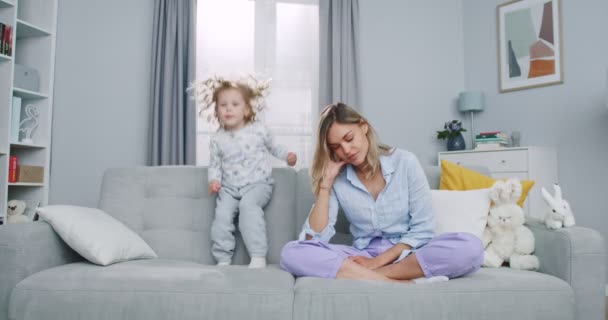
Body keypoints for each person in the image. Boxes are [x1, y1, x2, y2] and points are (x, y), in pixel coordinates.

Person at [280, 102, 483, 283]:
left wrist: (376, 264)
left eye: (349, 138)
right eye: (337, 147)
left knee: (470, 248)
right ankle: (400, 282)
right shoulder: (338, 178)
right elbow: (313, 241)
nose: (346, 149)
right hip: (361, 254)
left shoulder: (405, 162)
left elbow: (423, 229)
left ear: (363, 125)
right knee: (292, 252)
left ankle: (379, 276)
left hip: (408, 254)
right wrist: (325, 186)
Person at [206, 79, 297, 268]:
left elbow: (274, 147)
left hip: (258, 184)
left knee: (248, 207)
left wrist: (287, 156)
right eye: (223, 105)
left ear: (246, 109)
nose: (228, 109)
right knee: (222, 216)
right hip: (229, 187)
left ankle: (257, 255)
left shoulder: (258, 130)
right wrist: (214, 180)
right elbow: (214, 163)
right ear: (217, 111)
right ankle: (223, 258)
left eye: (235, 104)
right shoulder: (217, 138)